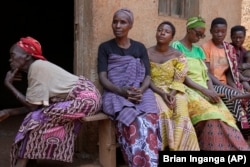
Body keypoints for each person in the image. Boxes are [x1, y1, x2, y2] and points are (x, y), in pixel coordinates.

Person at [1, 36, 102, 167]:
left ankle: (23, 161)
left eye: (13, 55)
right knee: (35, 118)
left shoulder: (37, 67)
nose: (10, 59)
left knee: (34, 119)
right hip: (87, 99)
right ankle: (28, 159)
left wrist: (8, 85)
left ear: (27, 56)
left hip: (86, 99)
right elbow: (36, 106)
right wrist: (9, 112)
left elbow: (32, 108)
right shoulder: (37, 68)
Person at [171, 16, 250, 150]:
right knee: (212, 114)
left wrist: (211, 90)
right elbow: (182, 75)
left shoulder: (198, 51)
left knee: (224, 115)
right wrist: (205, 91)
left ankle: (239, 146)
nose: (200, 37)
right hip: (190, 88)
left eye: (202, 35)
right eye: (198, 33)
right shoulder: (176, 46)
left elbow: (206, 74)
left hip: (206, 88)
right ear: (189, 30)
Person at [97, 8, 160, 166]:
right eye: (115, 21)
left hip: (139, 91)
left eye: (122, 22)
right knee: (134, 122)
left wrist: (141, 91)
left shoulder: (139, 47)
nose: (118, 25)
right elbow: (103, 77)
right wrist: (122, 92)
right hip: (115, 92)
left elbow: (147, 76)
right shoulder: (105, 48)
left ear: (130, 25)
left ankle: (151, 162)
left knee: (149, 120)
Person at [148, 21, 200, 151]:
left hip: (175, 90)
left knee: (181, 113)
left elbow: (179, 79)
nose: (162, 33)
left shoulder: (178, 55)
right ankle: (165, 148)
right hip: (155, 90)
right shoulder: (146, 53)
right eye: (160, 30)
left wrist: (170, 94)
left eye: (167, 32)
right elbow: (146, 78)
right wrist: (162, 93)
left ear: (172, 37)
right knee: (163, 112)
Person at [201, 17, 250, 138]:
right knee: (233, 96)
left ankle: (245, 130)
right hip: (212, 84)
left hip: (225, 83)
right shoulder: (206, 47)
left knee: (242, 95)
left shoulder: (229, 48)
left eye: (223, 31)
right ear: (211, 31)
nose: (219, 34)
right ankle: (238, 131)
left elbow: (230, 73)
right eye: (216, 31)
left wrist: (235, 87)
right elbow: (206, 73)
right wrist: (226, 86)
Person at [230, 25, 250, 91]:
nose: (238, 40)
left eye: (240, 37)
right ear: (231, 37)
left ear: (244, 37)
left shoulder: (244, 51)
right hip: (232, 79)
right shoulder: (227, 50)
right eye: (235, 37)